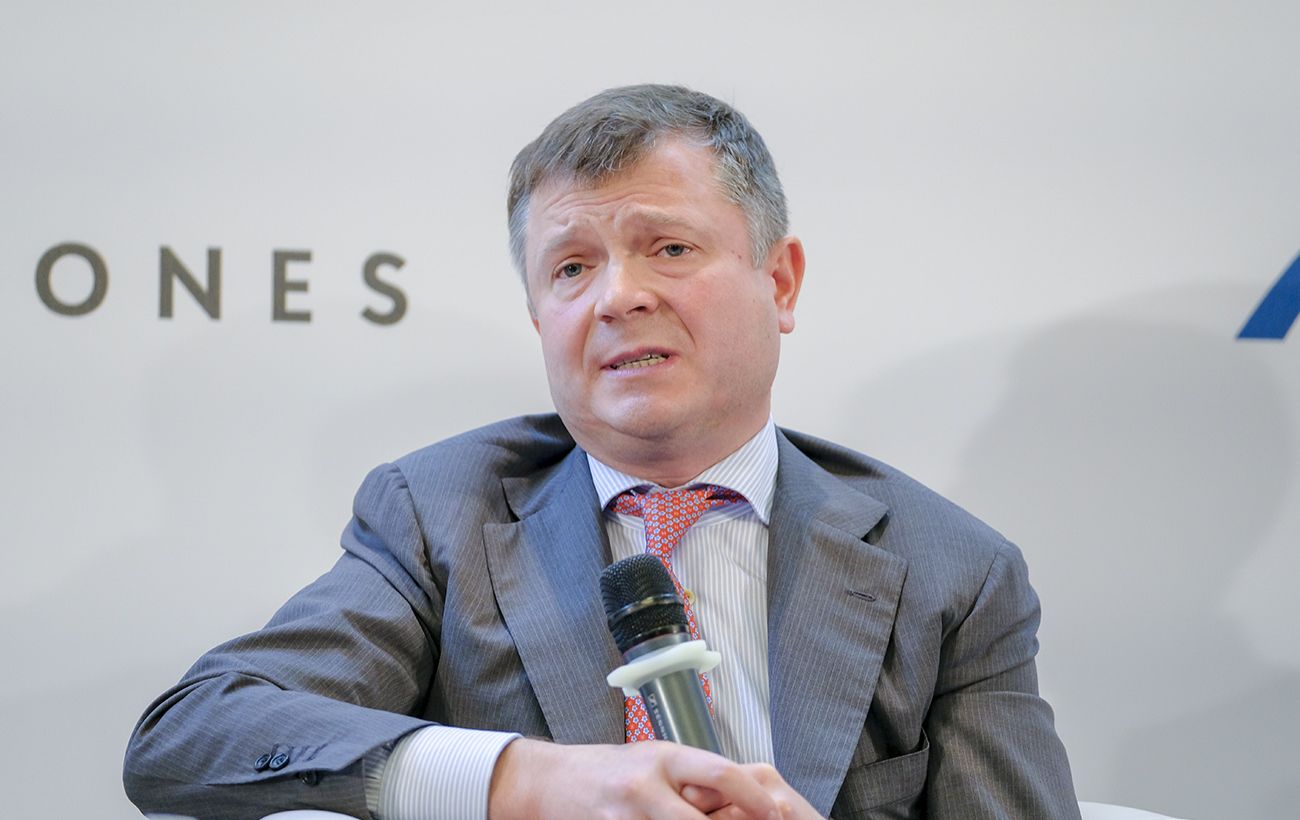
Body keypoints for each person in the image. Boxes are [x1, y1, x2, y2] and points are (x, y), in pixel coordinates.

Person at [124, 84, 1080, 820]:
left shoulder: (950, 571)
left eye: (669, 248)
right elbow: (194, 732)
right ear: (539, 315)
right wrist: (526, 781)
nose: (618, 297)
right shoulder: (439, 514)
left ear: (780, 281)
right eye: (572, 267)